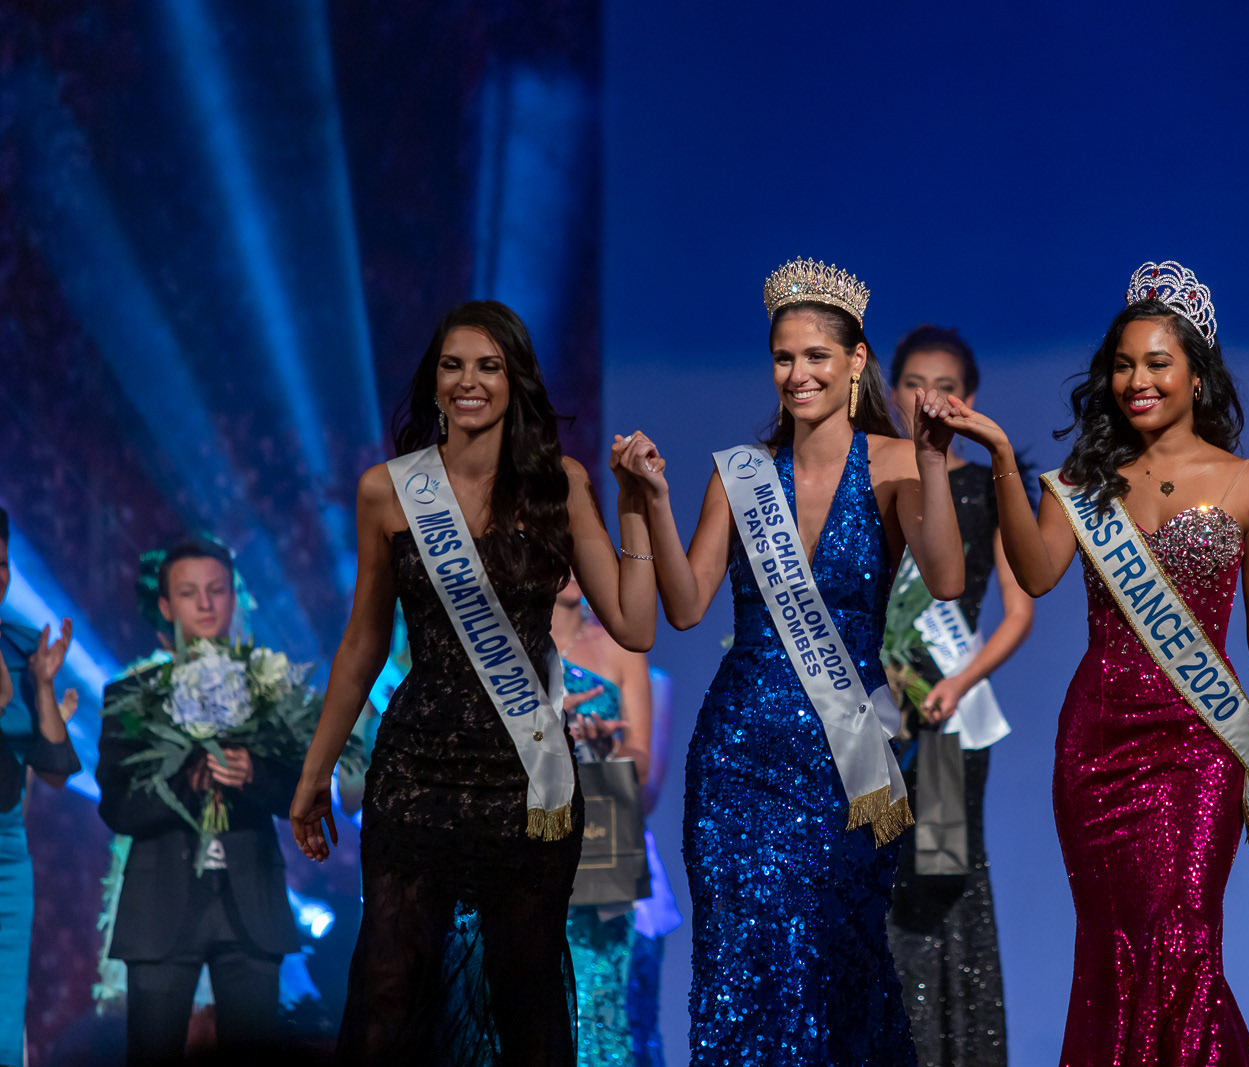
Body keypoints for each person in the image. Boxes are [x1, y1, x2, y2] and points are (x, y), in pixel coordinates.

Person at [934, 261, 1249, 1065]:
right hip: (1097, 748)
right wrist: (1002, 454)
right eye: (1122, 364)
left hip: (1199, 744)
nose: (1137, 380)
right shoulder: (1084, 482)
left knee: (1183, 938)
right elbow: (1036, 574)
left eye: (1156, 363)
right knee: (1113, 952)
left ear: (1197, 374)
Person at [612, 258, 967, 1065]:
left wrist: (934, 460)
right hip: (737, 763)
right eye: (783, 356)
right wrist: (655, 501)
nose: (798, 373)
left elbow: (947, 577)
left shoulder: (895, 462)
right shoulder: (740, 474)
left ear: (856, 360)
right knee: (743, 975)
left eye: (815, 355)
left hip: (845, 766)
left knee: (835, 973)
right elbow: (686, 605)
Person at [289, 300, 657, 1066]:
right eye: (453, 365)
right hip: (416, 774)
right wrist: (315, 770)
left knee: (525, 1004)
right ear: (432, 382)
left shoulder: (559, 484)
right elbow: (362, 644)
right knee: (389, 993)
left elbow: (634, 623)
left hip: (525, 777)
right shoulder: (389, 490)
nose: (469, 381)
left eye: (488, 366)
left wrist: (633, 505)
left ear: (515, 380)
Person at [882, 326, 1033, 1066]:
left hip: (951, 718)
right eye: (913, 383)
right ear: (890, 392)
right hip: (876, 714)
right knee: (877, 874)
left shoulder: (982, 490)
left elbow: (1018, 612)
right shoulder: (870, 481)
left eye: (943, 387)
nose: (926, 398)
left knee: (948, 873)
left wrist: (955, 683)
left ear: (967, 400)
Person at [98, 538, 300, 1064]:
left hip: (251, 905)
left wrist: (253, 774)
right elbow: (117, 809)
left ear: (234, 597)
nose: (206, 604)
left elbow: (300, 795)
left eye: (217, 590)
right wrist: (188, 780)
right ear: (166, 606)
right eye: (189, 593)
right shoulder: (131, 695)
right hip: (160, 909)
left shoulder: (269, 686)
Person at [552, 577, 653, 1066]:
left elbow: (643, 761)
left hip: (601, 842)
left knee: (598, 1003)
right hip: (528, 838)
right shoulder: (507, 648)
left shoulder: (621, 647)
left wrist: (608, 747)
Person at [0, 508, 80, 1067]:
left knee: (5, 1017)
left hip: (8, 856)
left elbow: (53, 770)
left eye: (2, 563)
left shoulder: (21, 649)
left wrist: (44, 686)